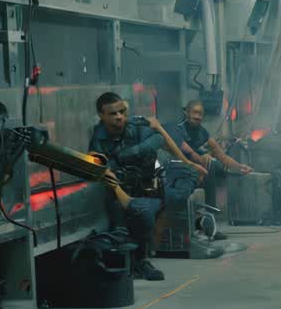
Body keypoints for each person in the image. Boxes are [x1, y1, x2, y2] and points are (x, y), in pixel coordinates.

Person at [88, 92, 204, 281]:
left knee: (187, 175)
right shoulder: (99, 138)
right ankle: (141, 261)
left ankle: (161, 215)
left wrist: (129, 153)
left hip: (150, 182)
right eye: (113, 114)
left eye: (122, 112)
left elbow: (157, 140)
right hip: (123, 190)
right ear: (101, 115)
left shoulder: (135, 124)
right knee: (141, 213)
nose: (119, 117)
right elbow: (102, 167)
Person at [169, 100, 253, 239]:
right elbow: (188, 154)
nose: (198, 117)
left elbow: (221, 155)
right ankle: (210, 222)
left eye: (200, 114)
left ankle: (232, 213)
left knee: (222, 167)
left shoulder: (202, 132)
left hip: (197, 167)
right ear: (186, 112)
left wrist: (239, 167)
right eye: (195, 112)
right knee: (211, 165)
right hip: (178, 167)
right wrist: (205, 156)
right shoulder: (178, 128)